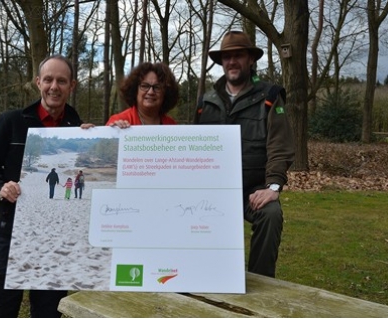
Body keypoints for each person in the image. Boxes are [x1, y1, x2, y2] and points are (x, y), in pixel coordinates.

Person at [0, 54, 93, 317]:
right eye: (49, 79)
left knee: (48, 311)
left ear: (72, 85)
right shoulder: (11, 121)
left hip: (57, 237)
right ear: (37, 82)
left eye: (61, 81)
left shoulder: (80, 130)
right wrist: (0, 188)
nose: (54, 86)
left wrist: (92, 142)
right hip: (12, 232)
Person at [194, 31, 295, 278]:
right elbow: (193, 150)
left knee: (270, 214)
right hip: (213, 193)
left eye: (238, 55)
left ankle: (261, 281)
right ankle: (200, 275)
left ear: (251, 59)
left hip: (252, 191)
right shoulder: (205, 102)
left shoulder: (270, 97)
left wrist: (273, 187)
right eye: (227, 57)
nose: (232, 61)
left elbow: (279, 146)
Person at [106, 62, 179, 127]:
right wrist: (111, 133)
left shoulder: (171, 125)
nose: (150, 92)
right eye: (145, 86)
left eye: (157, 87)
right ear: (135, 90)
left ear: (165, 93)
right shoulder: (119, 122)